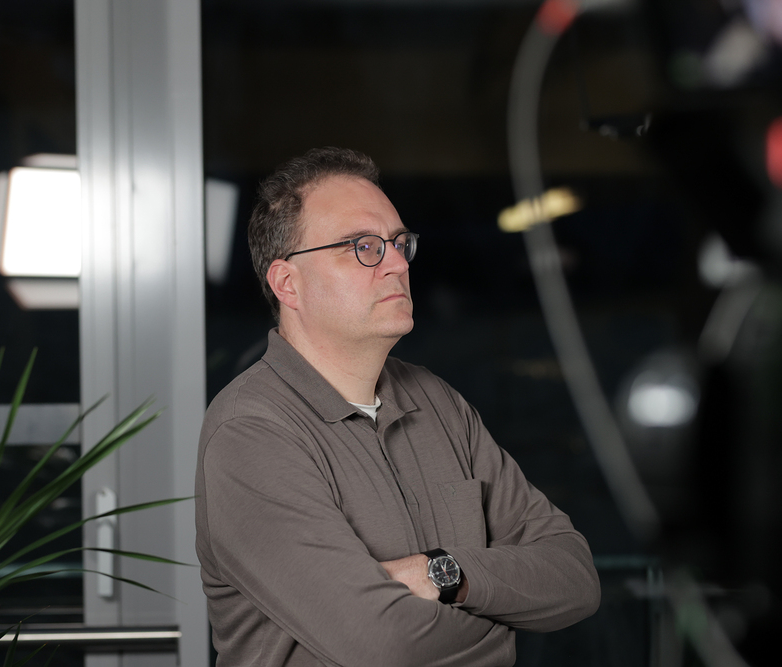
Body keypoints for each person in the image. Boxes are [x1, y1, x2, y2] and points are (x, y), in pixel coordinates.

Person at [194, 147, 600, 666]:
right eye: (362, 247)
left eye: (399, 243)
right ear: (288, 284)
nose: (396, 264)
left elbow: (575, 577)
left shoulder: (438, 402)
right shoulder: (251, 432)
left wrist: (442, 572)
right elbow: (382, 643)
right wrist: (501, 626)